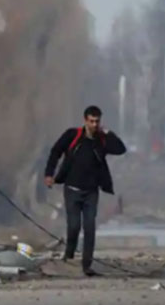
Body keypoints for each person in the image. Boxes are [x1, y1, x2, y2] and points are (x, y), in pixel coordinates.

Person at [43, 105, 126, 276]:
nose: (94, 125)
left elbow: (120, 149)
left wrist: (108, 132)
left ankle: (86, 265)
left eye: (97, 121)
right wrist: (49, 174)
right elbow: (56, 151)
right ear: (85, 120)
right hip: (72, 190)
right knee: (74, 226)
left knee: (89, 227)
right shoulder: (72, 136)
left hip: (91, 192)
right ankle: (69, 257)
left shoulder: (101, 140)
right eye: (91, 121)